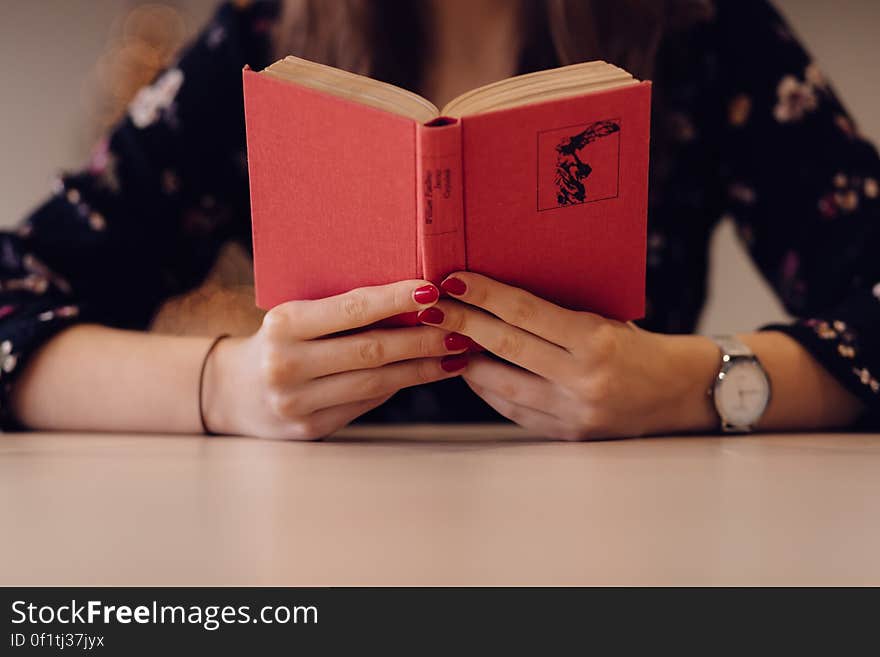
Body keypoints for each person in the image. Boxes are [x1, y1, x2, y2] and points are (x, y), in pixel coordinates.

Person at [2, 0, 878, 440]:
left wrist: (696, 384)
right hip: (329, 559)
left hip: (611, 549)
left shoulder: (707, 28)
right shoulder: (266, 37)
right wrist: (226, 389)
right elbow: (14, 297)